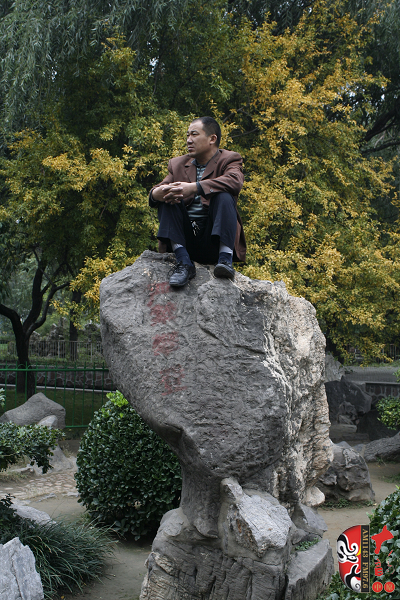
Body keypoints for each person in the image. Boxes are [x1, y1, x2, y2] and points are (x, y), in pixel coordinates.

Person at [149, 116, 246, 287]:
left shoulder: (229, 159)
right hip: (184, 241)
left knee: (224, 195)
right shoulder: (178, 164)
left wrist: (195, 187)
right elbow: (157, 190)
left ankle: (225, 260)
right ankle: (184, 263)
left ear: (212, 139)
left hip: (213, 240)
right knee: (168, 198)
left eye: (194, 134)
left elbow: (234, 182)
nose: (189, 140)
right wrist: (157, 193)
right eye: (187, 135)